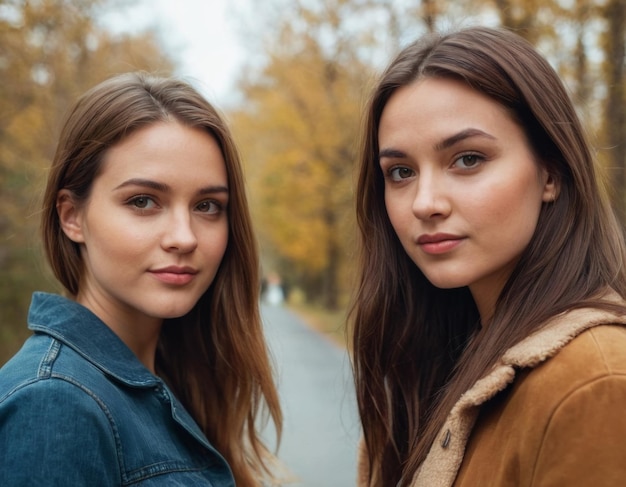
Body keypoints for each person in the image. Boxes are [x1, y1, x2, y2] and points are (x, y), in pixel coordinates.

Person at [350, 26, 626, 487]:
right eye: (400, 172)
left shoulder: (596, 382)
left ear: (550, 172)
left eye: (468, 159)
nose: (425, 203)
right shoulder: (439, 362)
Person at [0, 72, 282, 486]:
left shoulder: (171, 383)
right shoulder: (55, 404)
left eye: (207, 206)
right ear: (71, 216)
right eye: (143, 201)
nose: (184, 238)